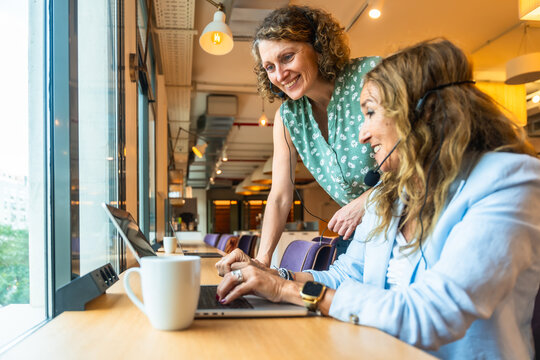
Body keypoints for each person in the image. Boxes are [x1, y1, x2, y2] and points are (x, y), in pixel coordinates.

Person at [215, 39, 540, 359]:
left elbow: (430, 315)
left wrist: (286, 291)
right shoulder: (391, 194)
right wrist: (271, 276)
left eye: (370, 113)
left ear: (421, 115)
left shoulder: (509, 182)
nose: (362, 134)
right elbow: (345, 277)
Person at [222, 5, 380, 271]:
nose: (280, 75)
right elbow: (280, 196)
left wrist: (368, 201)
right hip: (360, 238)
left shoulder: (370, 77)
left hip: (409, 225)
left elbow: (422, 157)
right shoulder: (288, 117)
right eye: (269, 67)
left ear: (318, 46)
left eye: (287, 57)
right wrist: (262, 260)